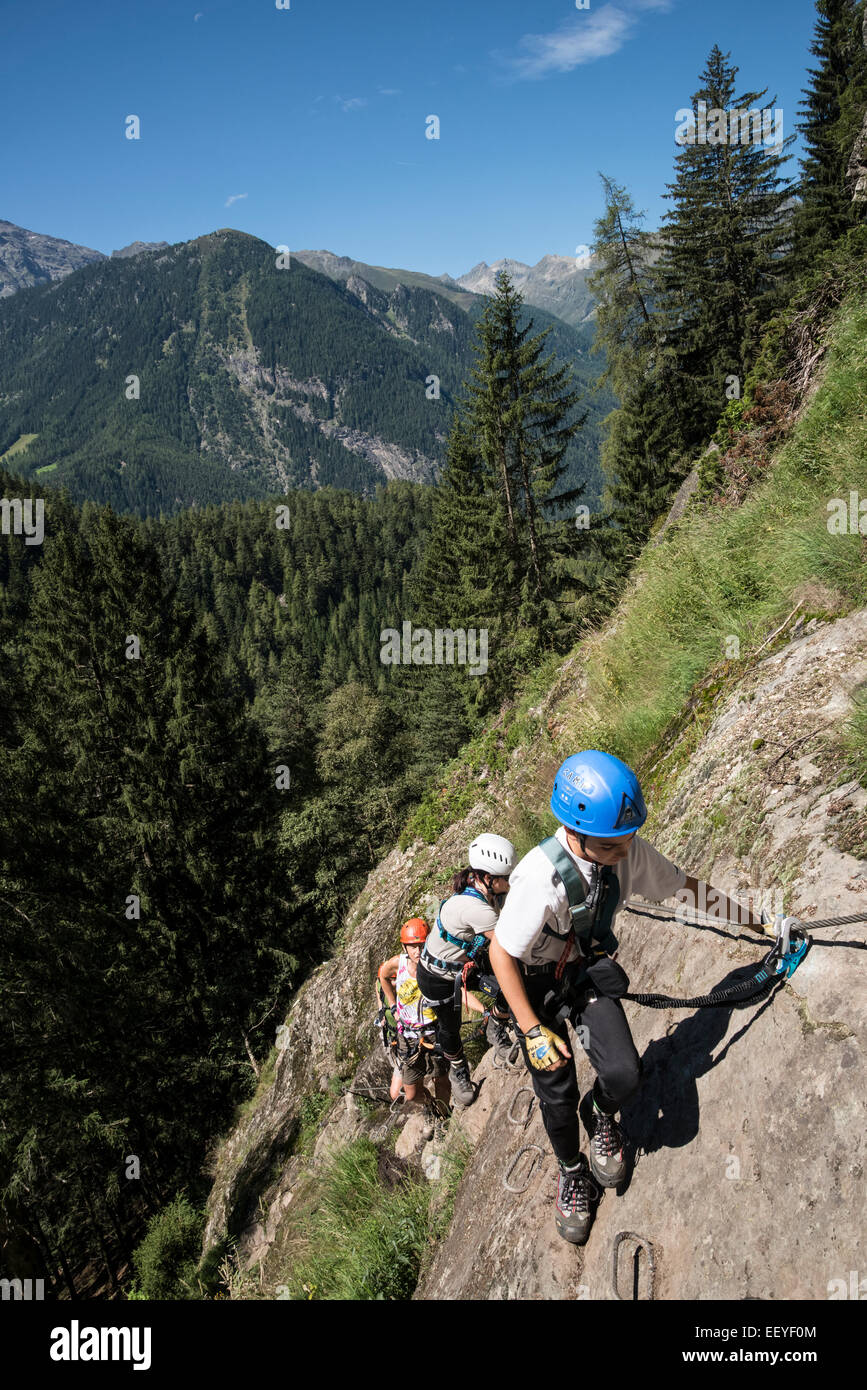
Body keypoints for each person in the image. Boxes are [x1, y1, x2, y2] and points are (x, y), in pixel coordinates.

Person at [490, 750, 769, 1245]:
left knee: (623, 1073)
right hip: (533, 988)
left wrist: (751, 919)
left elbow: (685, 889)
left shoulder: (623, 849)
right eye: (614, 843)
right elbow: (501, 954)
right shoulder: (539, 878)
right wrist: (532, 1030)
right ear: (576, 833)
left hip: (583, 973)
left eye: (628, 839)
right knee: (555, 1083)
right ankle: (572, 1170)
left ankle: (600, 1113)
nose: (627, 850)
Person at [417, 834, 517, 1106]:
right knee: (449, 1028)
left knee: (507, 989)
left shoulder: (484, 888)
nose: (509, 881)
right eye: (504, 877)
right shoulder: (475, 908)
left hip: (465, 961)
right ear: (487, 877)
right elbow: (510, 947)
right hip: (437, 976)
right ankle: (458, 1069)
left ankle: (495, 1027)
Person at [377, 918, 451, 1140]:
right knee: (410, 1093)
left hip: (433, 1029)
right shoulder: (397, 964)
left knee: (440, 1077)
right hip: (408, 1036)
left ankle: (443, 1116)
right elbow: (382, 974)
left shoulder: (435, 964)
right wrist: (391, 1005)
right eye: (413, 946)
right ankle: (430, 1106)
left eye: (421, 944)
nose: (417, 950)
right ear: (405, 947)